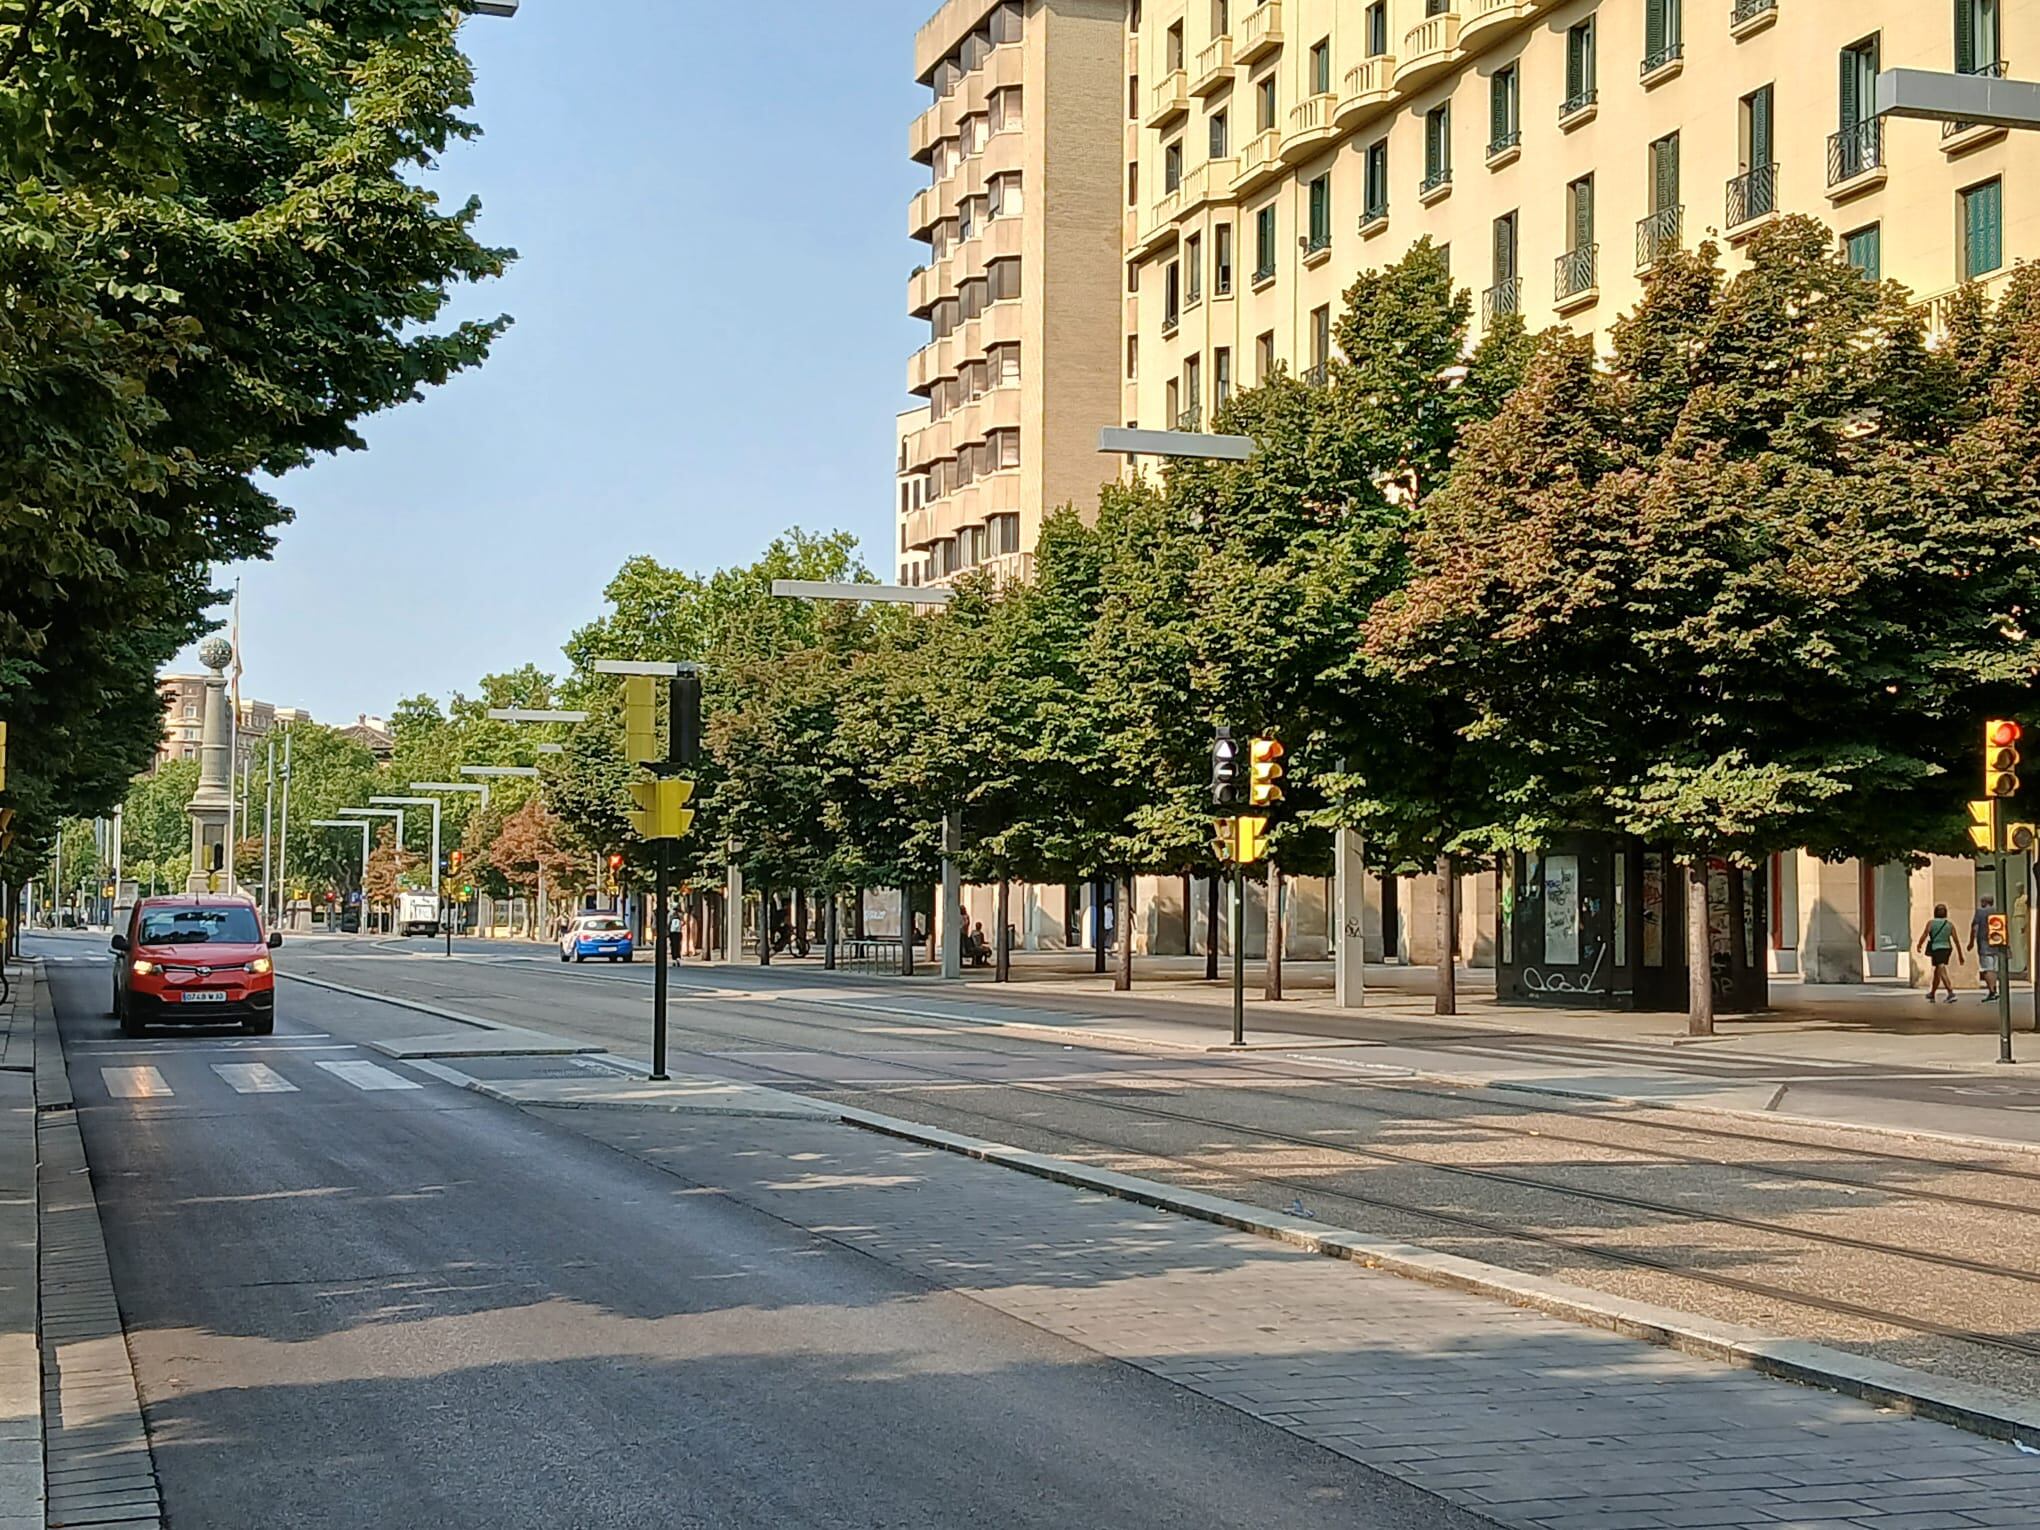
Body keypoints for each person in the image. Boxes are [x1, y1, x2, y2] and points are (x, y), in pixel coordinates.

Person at [1915, 903, 1962, 1005]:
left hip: (1936, 948)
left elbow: (1925, 934)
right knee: (1938, 971)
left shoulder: (1931, 923)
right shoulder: (1949, 925)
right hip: (1947, 948)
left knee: (1941, 968)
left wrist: (1919, 944)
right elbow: (1956, 940)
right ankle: (1932, 993)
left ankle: (1950, 992)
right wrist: (1960, 955)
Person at [1972, 896, 2000, 1002]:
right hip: (1996, 942)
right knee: (1992, 967)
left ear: (1984, 902)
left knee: (1986, 968)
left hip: (1984, 943)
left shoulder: (1980, 912)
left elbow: (1975, 927)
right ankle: (1994, 990)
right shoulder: (1997, 911)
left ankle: (1992, 991)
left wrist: (1971, 942)